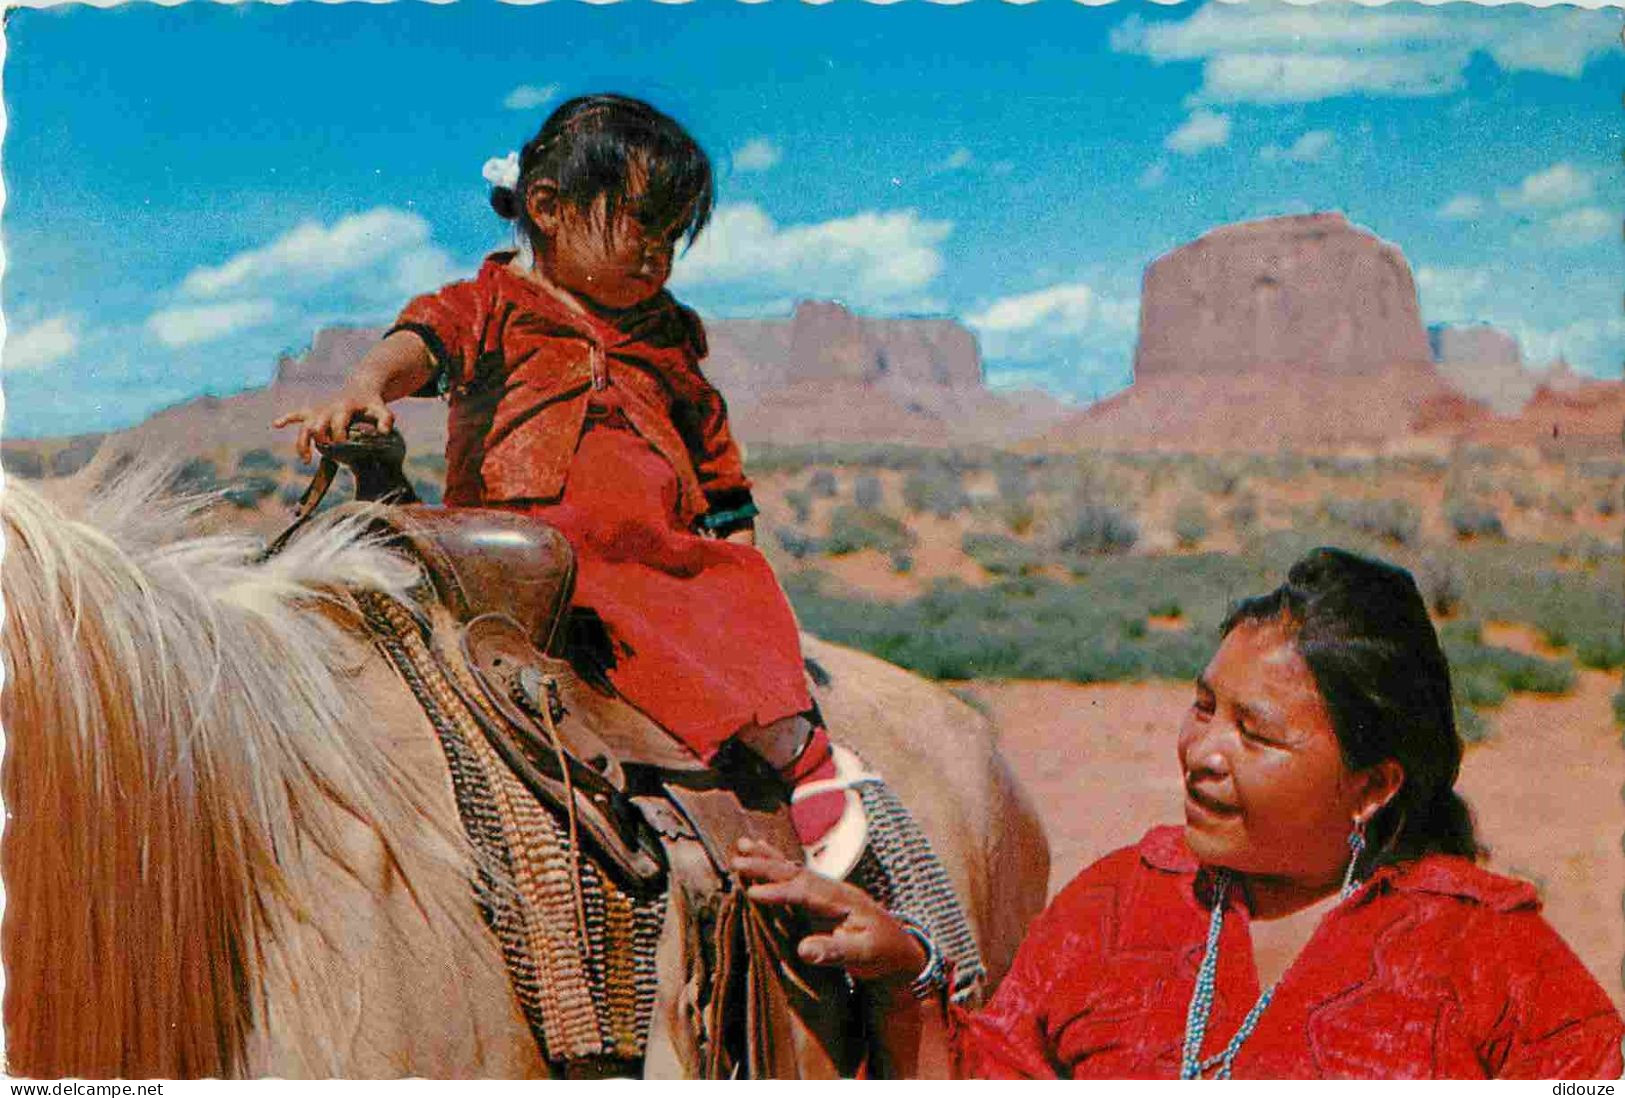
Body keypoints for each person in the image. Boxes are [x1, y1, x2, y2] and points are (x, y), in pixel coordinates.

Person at [735, 547, 1625, 1078]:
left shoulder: (1491, 956)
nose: (1202, 751)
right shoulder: (1118, 903)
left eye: (1255, 734)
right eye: (1204, 706)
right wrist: (903, 979)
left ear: (1371, 785)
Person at [275, 93, 863, 871]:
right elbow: (420, 341)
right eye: (640, 225)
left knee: (732, 596)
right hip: (526, 550)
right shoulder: (485, 304)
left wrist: (731, 530)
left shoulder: (663, 333)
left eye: (672, 235)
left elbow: (708, 439)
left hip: (655, 549)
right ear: (548, 207)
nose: (658, 253)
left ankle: (795, 752)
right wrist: (367, 386)